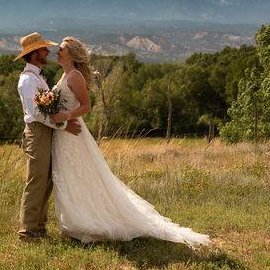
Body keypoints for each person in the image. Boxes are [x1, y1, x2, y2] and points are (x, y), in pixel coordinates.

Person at [49, 36, 210, 247]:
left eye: (60, 49)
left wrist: (65, 117)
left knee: (82, 175)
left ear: (70, 53)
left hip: (74, 133)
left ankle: (89, 220)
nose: (57, 52)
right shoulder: (64, 75)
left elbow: (86, 106)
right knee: (69, 176)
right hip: (63, 134)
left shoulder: (75, 76)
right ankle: (75, 219)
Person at [15, 32, 81, 241]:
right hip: (37, 133)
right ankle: (28, 230)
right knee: (36, 180)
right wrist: (62, 124)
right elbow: (36, 114)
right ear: (34, 54)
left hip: (45, 131)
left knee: (46, 181)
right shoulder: (28, 80)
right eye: (44, 49)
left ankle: (39, 228)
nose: (48, 51)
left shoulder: (36, 77)